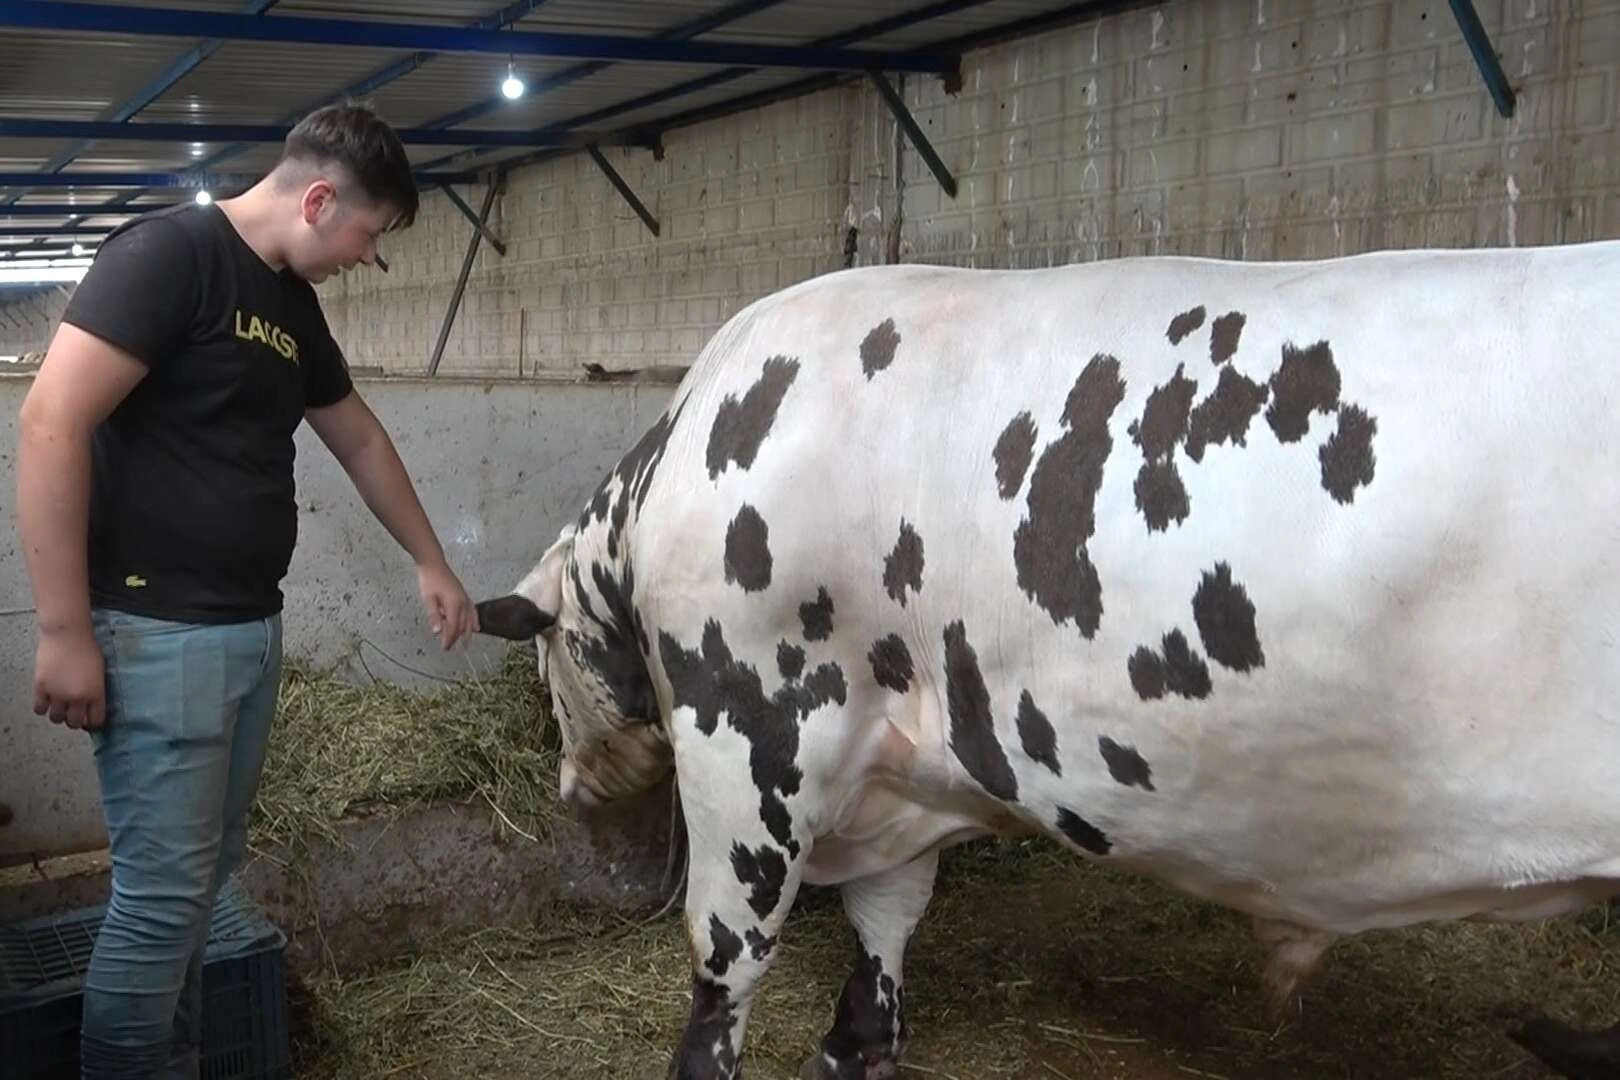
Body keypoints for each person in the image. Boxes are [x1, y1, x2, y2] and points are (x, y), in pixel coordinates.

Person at [15, 103, 479, 1079]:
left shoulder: (287, 300)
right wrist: (63, 628)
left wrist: (430, 559)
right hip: (156, 631)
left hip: (239, 632)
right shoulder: (168, 257)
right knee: (158, 900)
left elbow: (355, 434)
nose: (368, 257)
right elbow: (52, 420)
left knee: (198, 887)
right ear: (318, 200)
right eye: (369, 234)